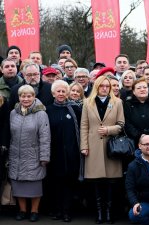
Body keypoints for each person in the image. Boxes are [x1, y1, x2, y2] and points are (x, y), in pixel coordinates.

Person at [80, 75, 125, 224]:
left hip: (111, 147)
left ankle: (109, 212)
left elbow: (121, 125)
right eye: (102, 86)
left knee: (111, 182)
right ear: (97, 87)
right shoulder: (87, 102)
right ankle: (99, 212)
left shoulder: (117, 102)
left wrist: (109, 129)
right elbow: (84, 126)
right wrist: (84, 146)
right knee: (97, 182)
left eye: (107, 86)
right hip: (93, 146)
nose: (105, 88)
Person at [9, 85, 50, 222]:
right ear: (19, 97)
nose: (25, 99)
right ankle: (22, 210)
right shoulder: (13, 113)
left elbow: (45, 137)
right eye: (22, 96)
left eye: (29, 96)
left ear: (34, 97)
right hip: (16, 155)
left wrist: (44, 156)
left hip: (34, 154)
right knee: (18, 183)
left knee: (34, 185)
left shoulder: (41, 114)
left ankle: (34, 211)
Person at [46, 80, 81, 222]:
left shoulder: (75, 109)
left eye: (63, 91)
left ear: (67, 93)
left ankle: (66, 211)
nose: (61, 94)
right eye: (58, 91)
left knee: (69, 183)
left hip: (71, 152)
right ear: (53, 93)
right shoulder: (47, 110)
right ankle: (57, 210)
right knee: (55, 183)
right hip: (54, 152)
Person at [124, 78, 149, 149]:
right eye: (139, 88)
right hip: (135, 142)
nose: (142, 89)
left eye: (145, 87)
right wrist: (139, 135)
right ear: (133, 91)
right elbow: (127, 123)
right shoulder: (128, 104)